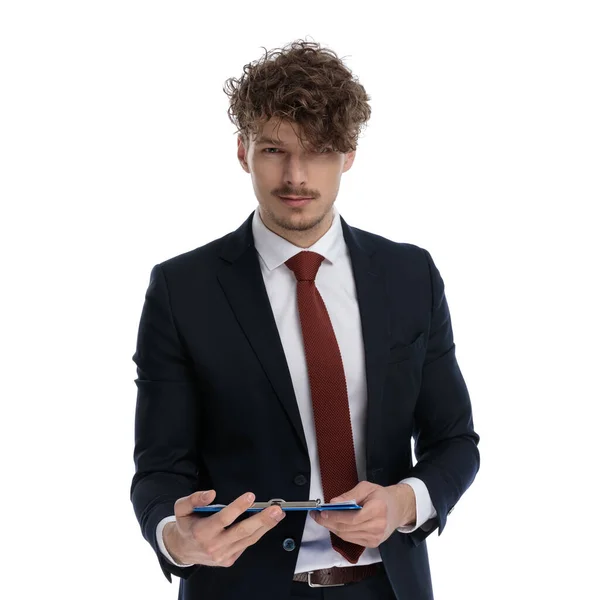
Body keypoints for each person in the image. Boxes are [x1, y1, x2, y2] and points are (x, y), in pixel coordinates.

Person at [130, 39, 480, 600]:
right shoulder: (182, 289)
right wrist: (177, 538)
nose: (296, 176)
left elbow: (455, 440)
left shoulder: (410, 274)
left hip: (387, 587)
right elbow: (159, 468)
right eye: (274, 150)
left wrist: (404, 502)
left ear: (349, 154)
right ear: (242, 151)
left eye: (317, 151)